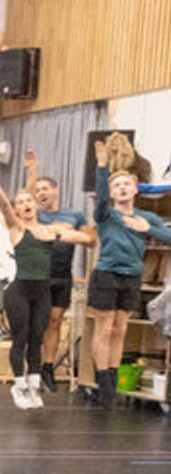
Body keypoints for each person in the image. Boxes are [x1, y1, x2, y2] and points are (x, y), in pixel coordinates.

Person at [0, 159, 89, 410]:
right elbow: (3, 205)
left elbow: (82, 238)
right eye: (20, 203)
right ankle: (19, 385)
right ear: (16, 209)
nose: (25, 205)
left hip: (42, 292)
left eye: (28, 201)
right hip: (19, 291)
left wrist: (87, 235)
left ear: (36, 205)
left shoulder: (48, 229)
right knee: (20, 339)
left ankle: (34, 385)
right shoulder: (16, 228)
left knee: (36, 339)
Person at [88, 136, 171, 407]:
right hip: (107, 275)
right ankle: (104, 383)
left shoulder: (146, 218)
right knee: (104, 327)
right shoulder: (107, 215)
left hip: (132, 277)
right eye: (117, 186)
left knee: (120, 330)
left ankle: (112, 376)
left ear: (135, 189)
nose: (122, 188)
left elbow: (167, 238)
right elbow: (100, 201)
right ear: (112, 193)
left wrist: (149, 230)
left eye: (126, 184)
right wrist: (102, 168)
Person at [23, 150, 94, 392]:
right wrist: (31, 172)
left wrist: (69, 232)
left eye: (45, 189)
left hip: (63, 276)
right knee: (36, 323)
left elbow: (91, 240)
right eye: (38, 190)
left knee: (54, 321)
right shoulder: (35, 214)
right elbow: (23, 203)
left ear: (55, 191)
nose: (41, 193)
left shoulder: (73, 215)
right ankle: (32, 369)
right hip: (37, 275)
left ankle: (48, 368)